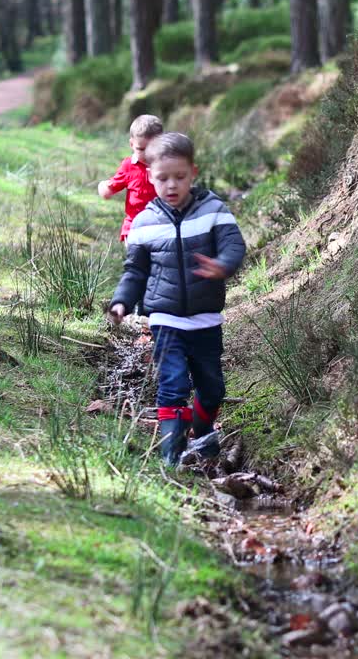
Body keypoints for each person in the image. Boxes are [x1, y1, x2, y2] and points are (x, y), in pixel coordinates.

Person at [107, 133, 246, 466]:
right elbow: (135, 272)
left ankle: (203, 430)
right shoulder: (143, 223)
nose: (172, 185)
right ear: (149, 176)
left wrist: (222, 265)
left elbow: (234, 245)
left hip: (206, 320)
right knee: (172, 384)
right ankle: (172, 455)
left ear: (193, 173)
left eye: (180, 177)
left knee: (212, 389)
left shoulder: (213, 208)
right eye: (162, 178)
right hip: (166, 320)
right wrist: (122, 302)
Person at [98, 115, 165, 242]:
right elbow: (109, 189)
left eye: (152, 148)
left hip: (161, 226)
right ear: (131, 144)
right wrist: (103, 187)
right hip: (134, 227)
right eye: (141, 149)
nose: (146, 154)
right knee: (136, 260)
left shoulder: (167, 165)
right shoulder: (129, 166)